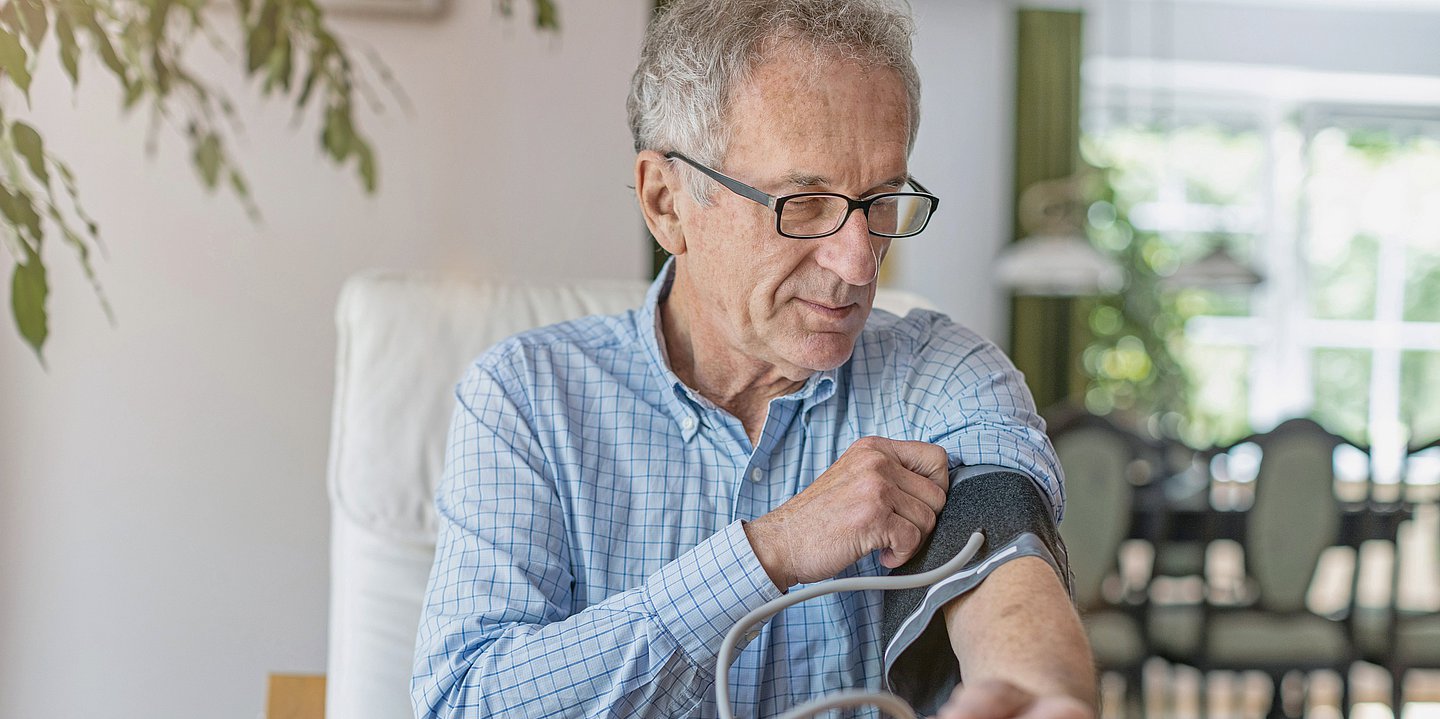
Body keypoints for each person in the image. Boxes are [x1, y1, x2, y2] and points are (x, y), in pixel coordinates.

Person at [412, 1, 1097, 717]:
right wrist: (769, 549)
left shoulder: (945, 374)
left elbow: (1007, 568)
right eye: (803, 203)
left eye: (881, 200)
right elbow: (464, 700)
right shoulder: (526, 399)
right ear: (666, 201)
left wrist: (1037, 694)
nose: (860, 261)